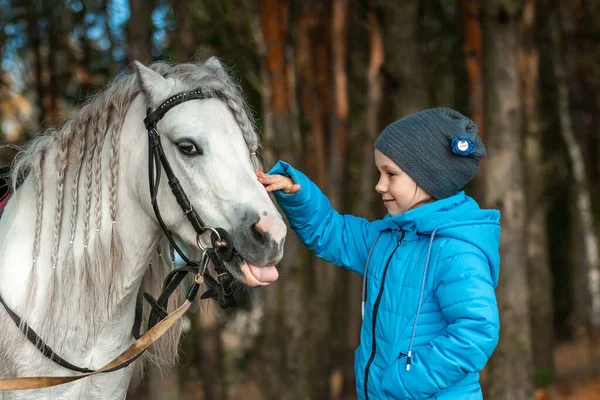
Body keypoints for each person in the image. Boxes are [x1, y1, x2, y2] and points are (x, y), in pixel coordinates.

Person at [256, 108, 500, 400]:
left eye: (391, 174)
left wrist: (404, 382)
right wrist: (296, 193)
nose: (379, 185)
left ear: (429, 177)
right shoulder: (387, 238)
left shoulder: (456, 252)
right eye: (379, 173)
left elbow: (476, 331)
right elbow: (332, 233)